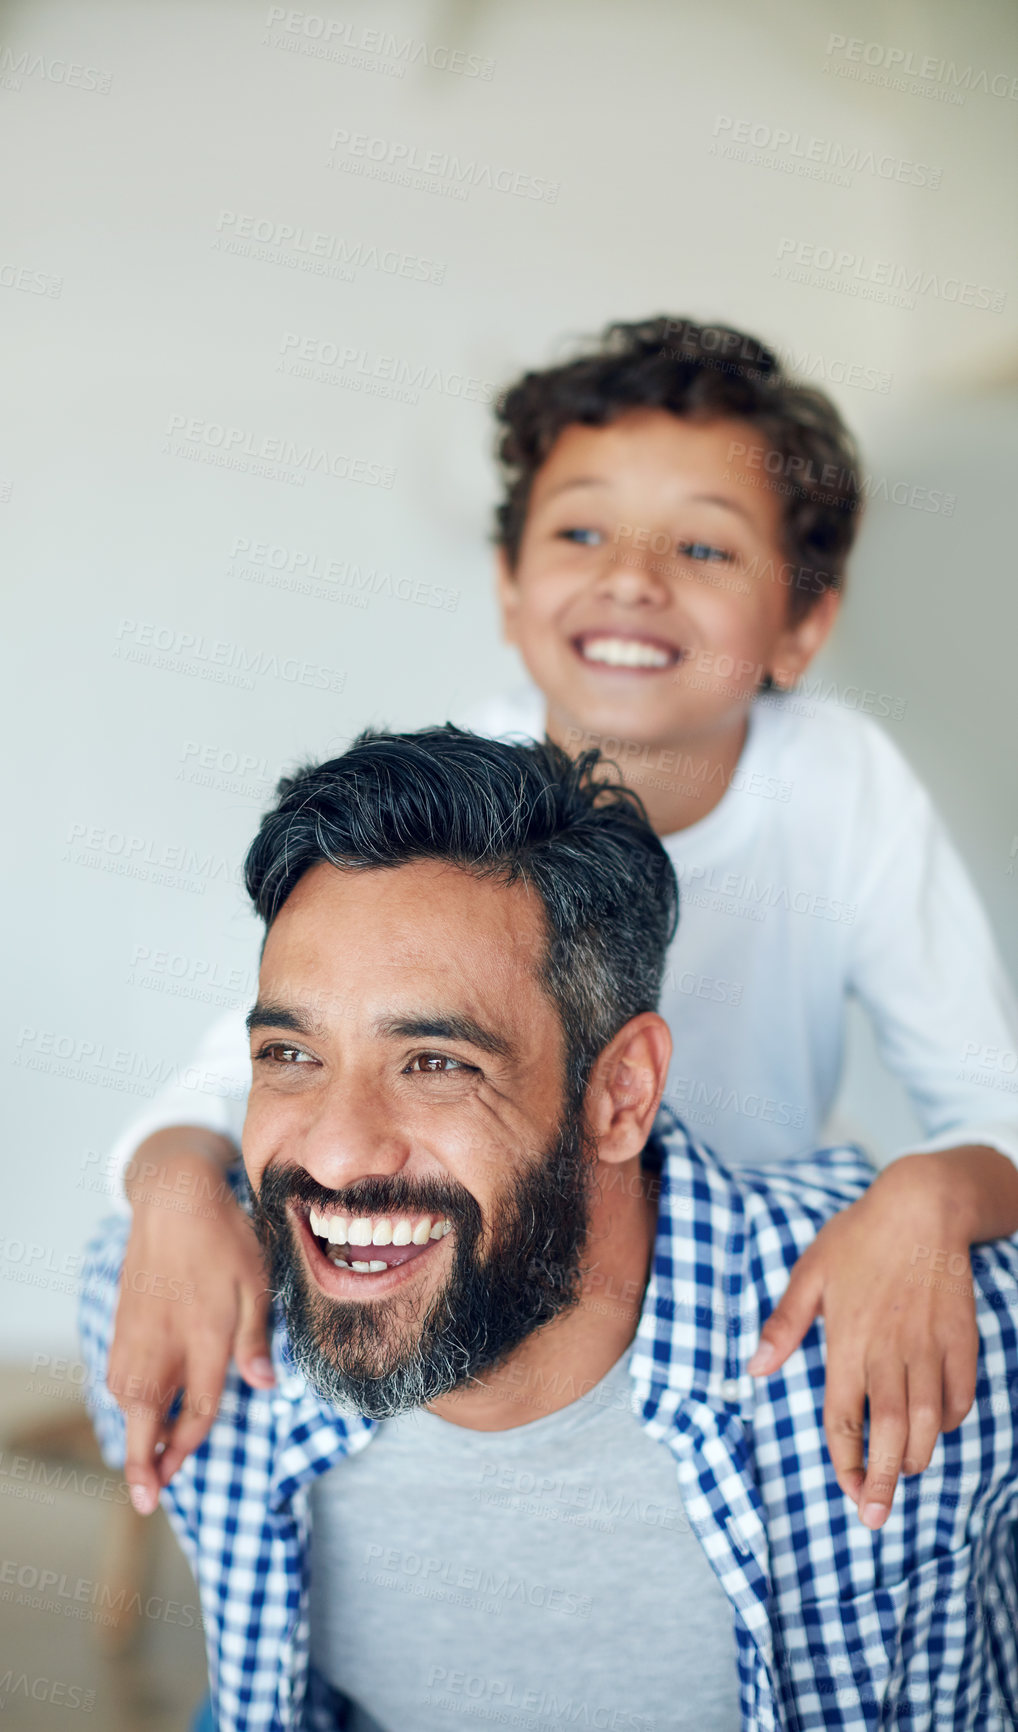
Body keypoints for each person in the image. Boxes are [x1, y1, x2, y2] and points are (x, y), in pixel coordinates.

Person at [104, 317, 1018, 1534]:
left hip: (733, 1308)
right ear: (509, 587)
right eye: (580, 530)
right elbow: (249, 1073)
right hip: (507, 1303)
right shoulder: (451, 806)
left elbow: (991, 1114)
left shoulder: (842, 788)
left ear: (800, 625)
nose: (631, 577)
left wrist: (922, 1198)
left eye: (701, 544)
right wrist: (173, 1188)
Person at [81, 728, 1018, 1732]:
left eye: (435, 1062)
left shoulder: (948, 1345)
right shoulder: (168, 1316)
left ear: (619, 1094)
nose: (338, 1154)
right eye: (288, 1053)